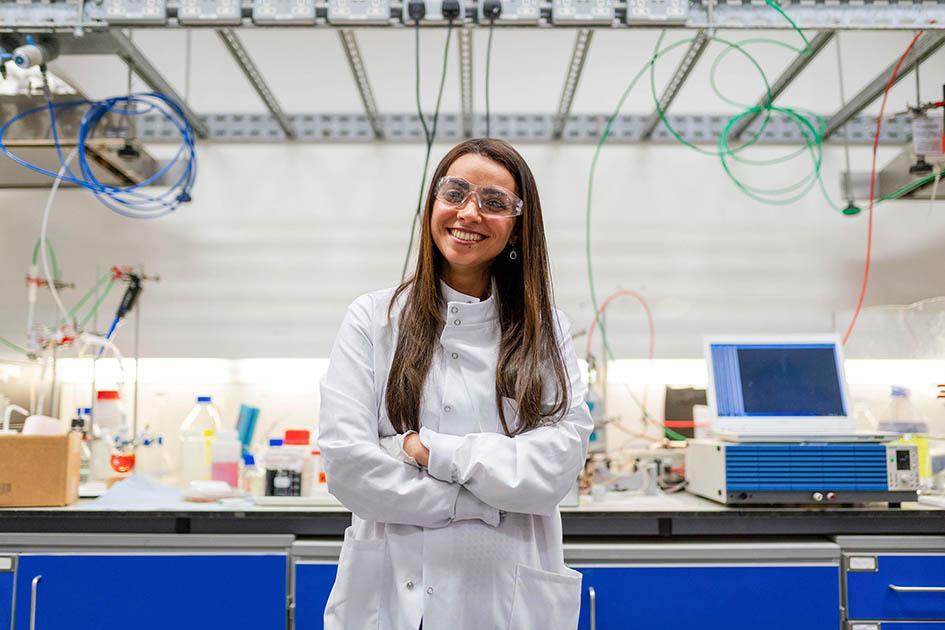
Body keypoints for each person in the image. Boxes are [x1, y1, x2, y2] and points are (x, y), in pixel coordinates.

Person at [318, 138, 593, 629]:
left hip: (505, 602)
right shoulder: (374, 319)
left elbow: (554, 471)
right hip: (390, 598)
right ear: (432, 206)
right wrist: (480, 501)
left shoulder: (546, 330)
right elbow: (348, 465)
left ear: (516, 228)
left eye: (494, 203)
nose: (469, 213)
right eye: (455, 193)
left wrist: (425, 451)